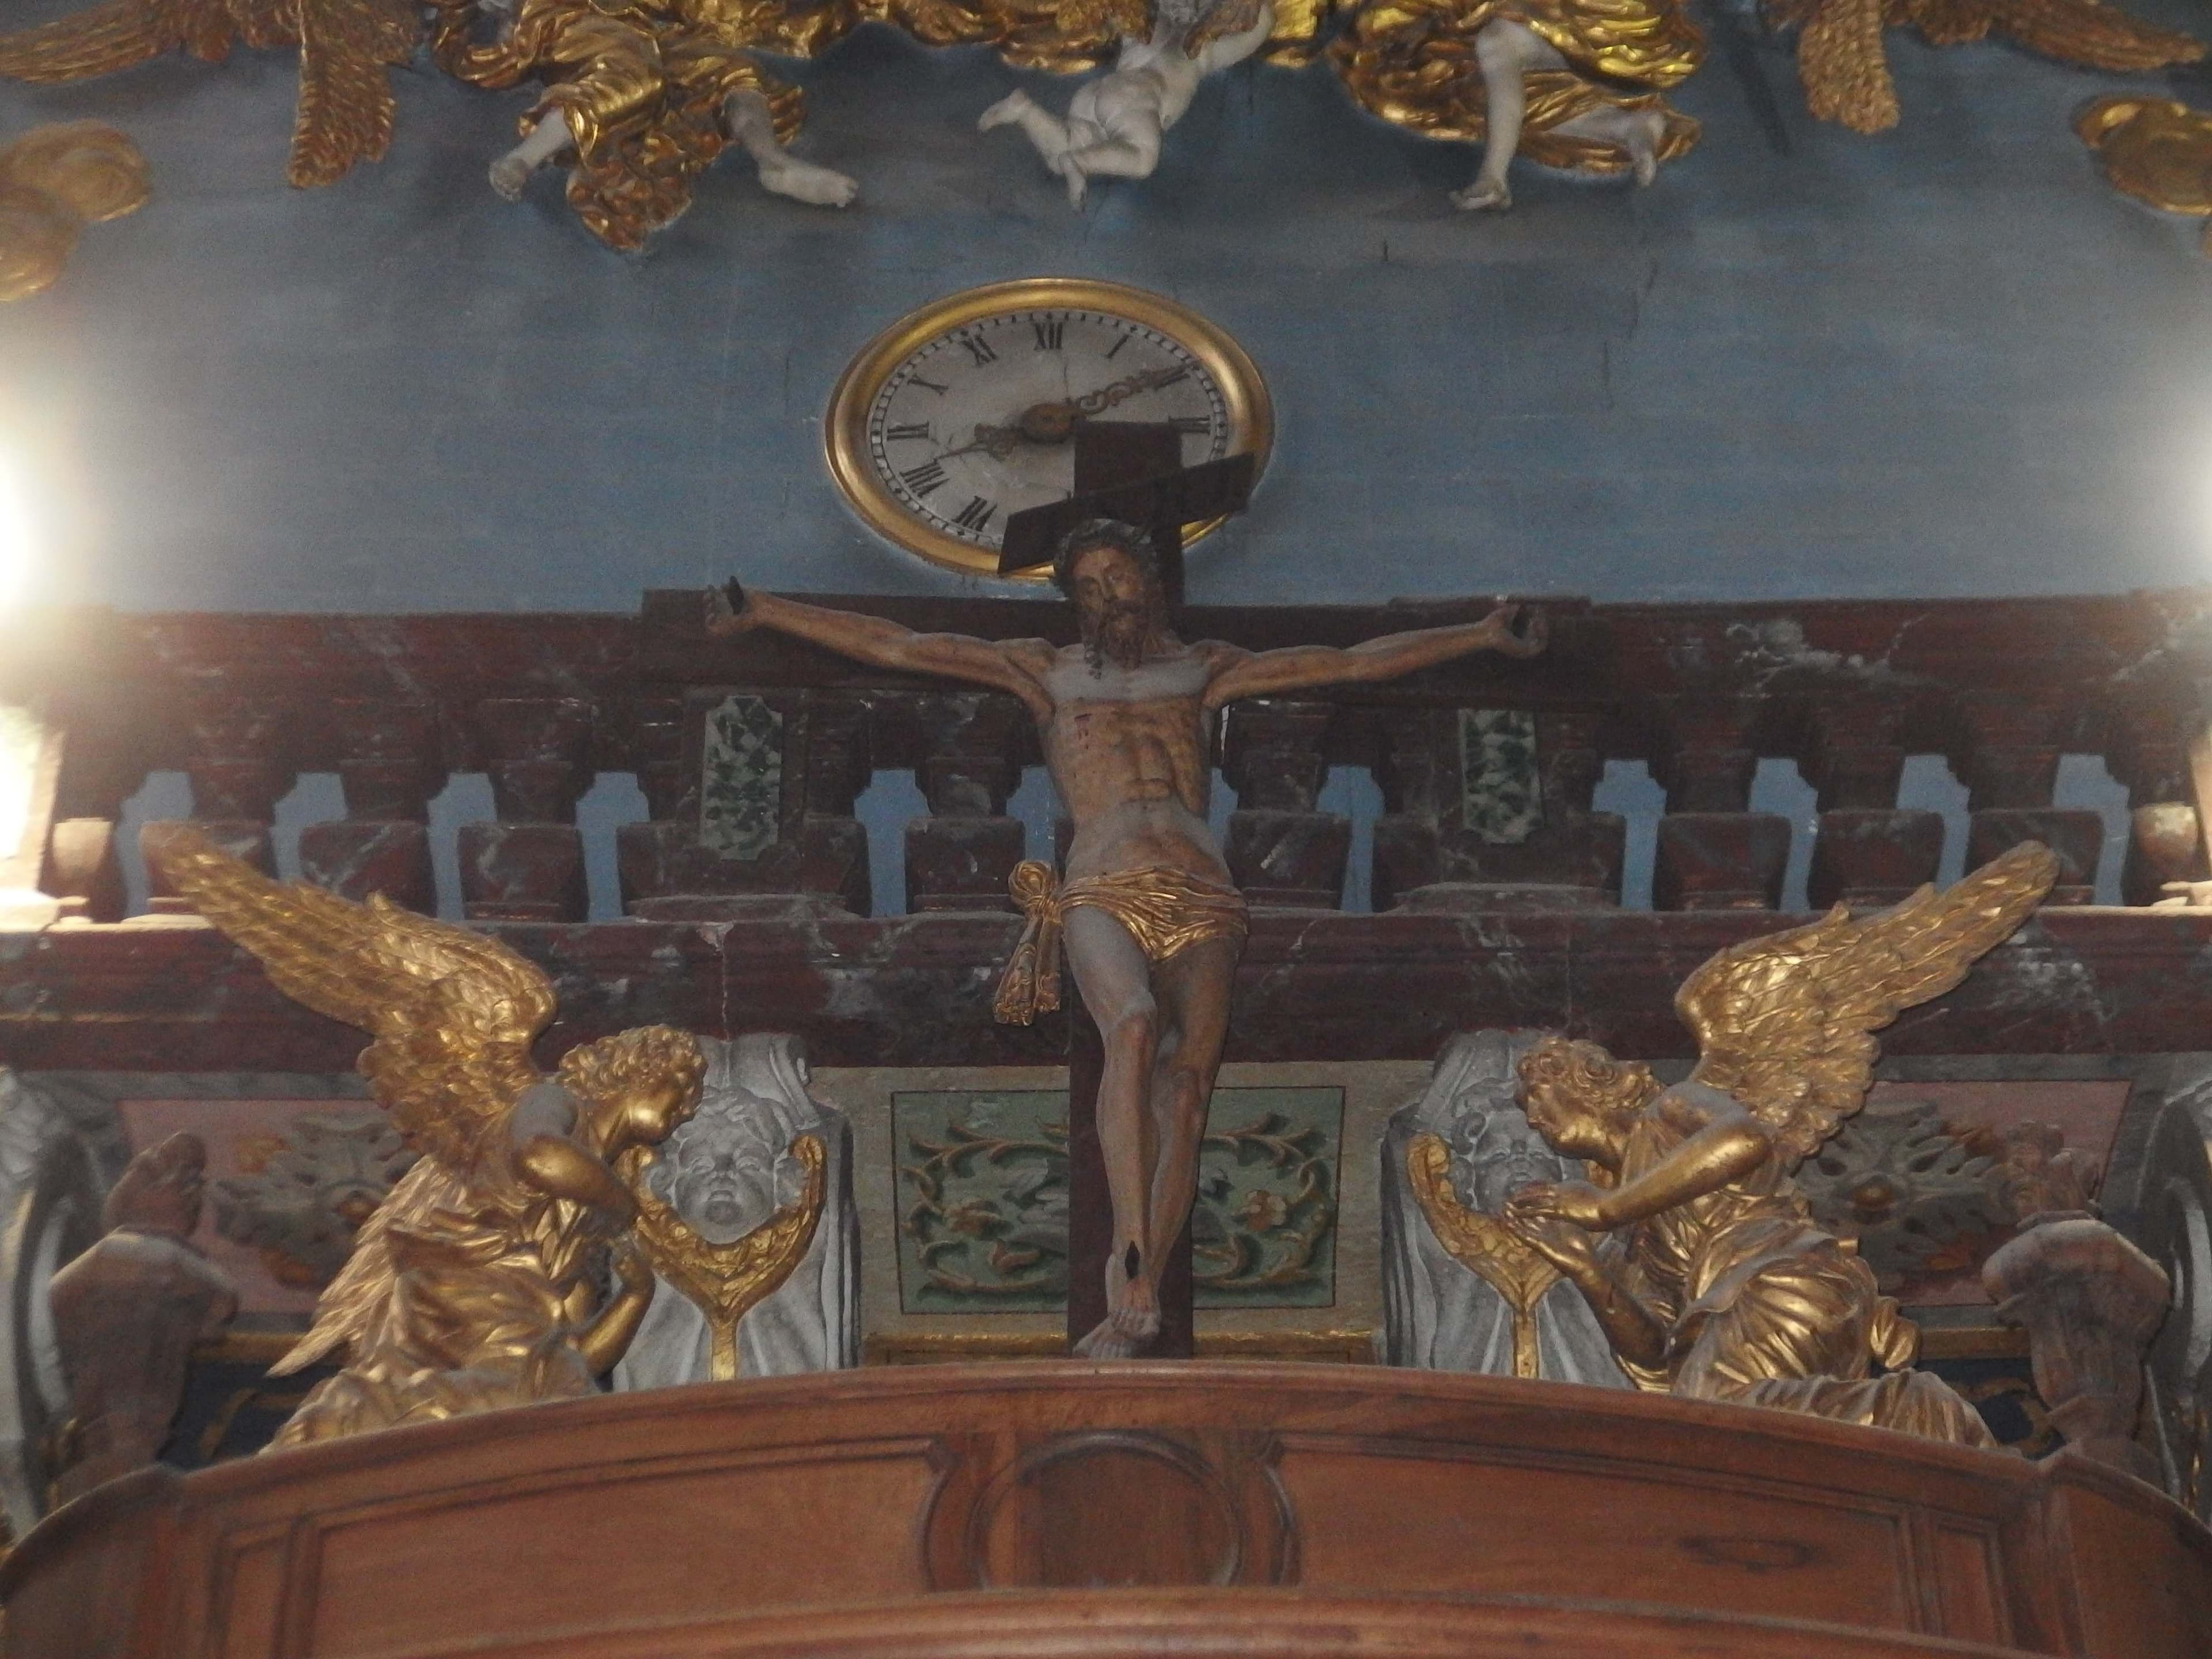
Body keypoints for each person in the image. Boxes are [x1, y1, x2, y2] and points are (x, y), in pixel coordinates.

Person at [707, 522, 1544, 1355]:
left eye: (1118, 578)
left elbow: (1349, 662)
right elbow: (900, 645)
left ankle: (1146, 1278)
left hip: (1203, 891)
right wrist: (768, 611)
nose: (1107, 598)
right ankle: (1127, 1253)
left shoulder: (1205, 668)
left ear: (1152, 582)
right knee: (1134, 1027)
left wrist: (1478, 635)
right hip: (1103, 882)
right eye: (1088, 588)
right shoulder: (1047, 671)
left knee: (1187, 1089)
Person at [978, 0, 1278, 206]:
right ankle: (1080, 162)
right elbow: (1260, 25)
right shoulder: (1202, 53)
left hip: (1096, 94)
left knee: (1065, 149)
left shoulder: (1141, 30)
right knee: (1142, 157)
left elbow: (1116, 12)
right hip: (1138, 98)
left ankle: (1025, 111)